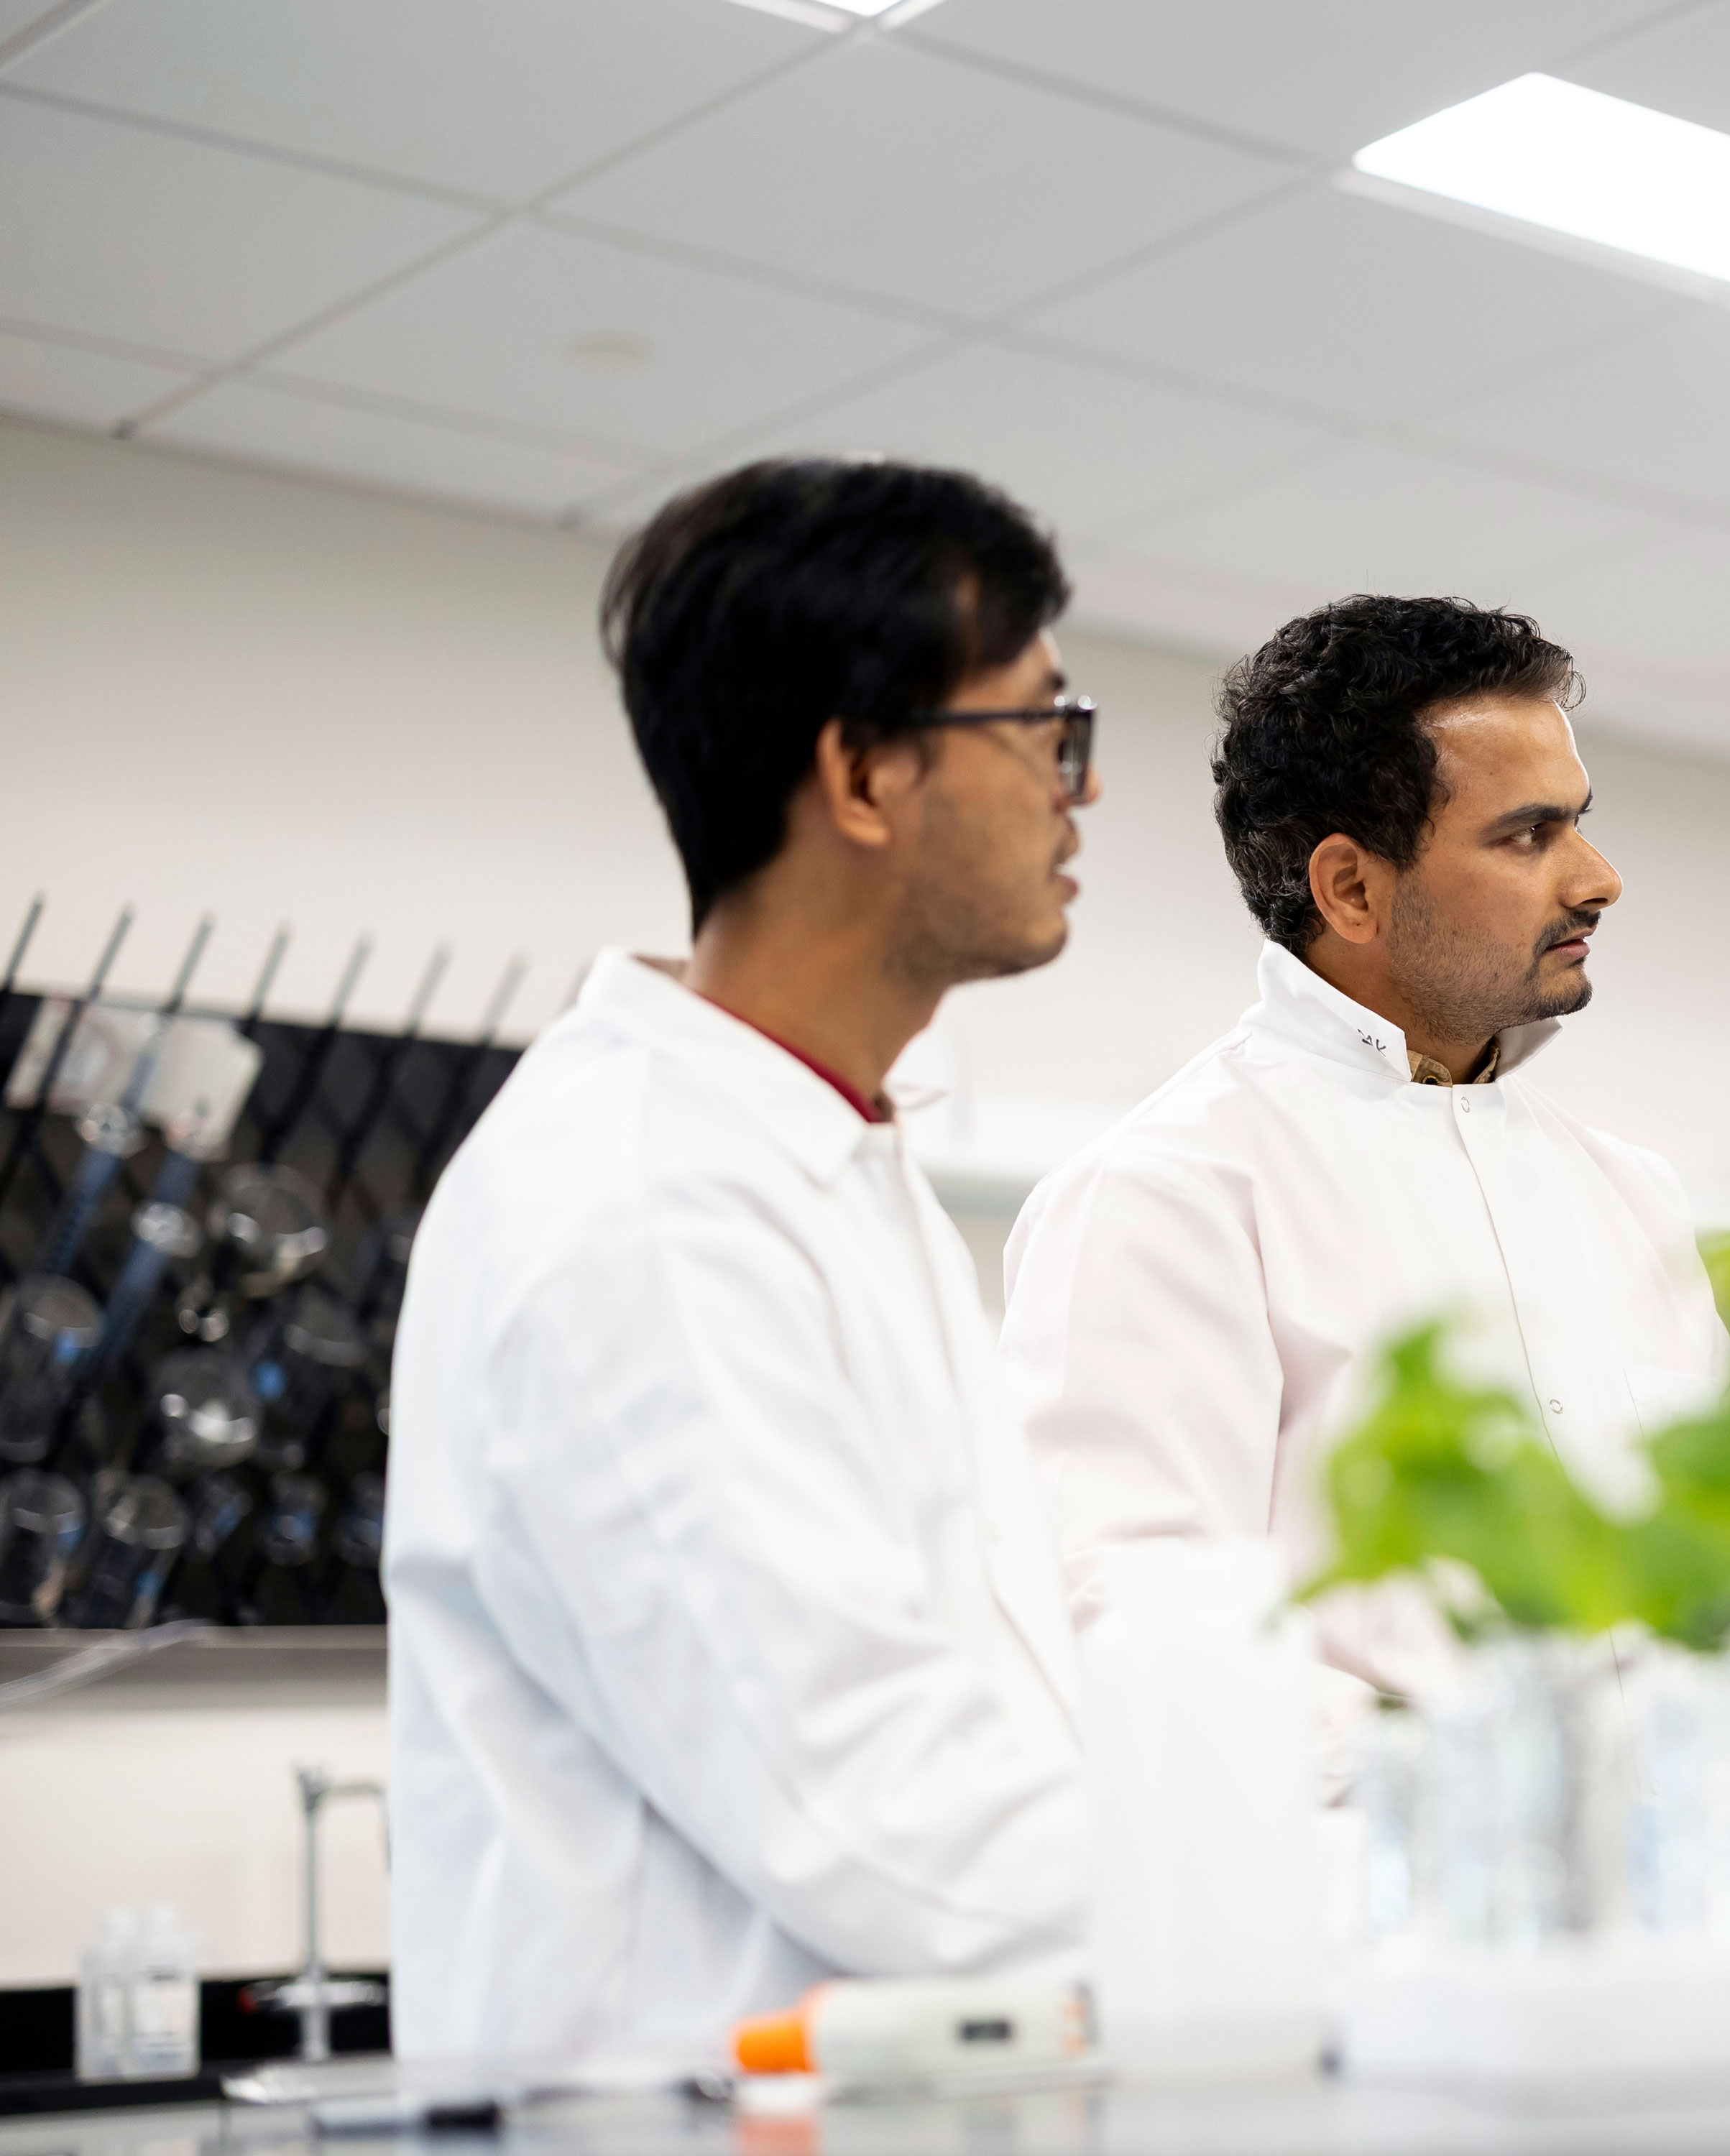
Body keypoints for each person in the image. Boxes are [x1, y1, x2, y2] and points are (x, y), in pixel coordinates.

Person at [385, 458, 1106, 2059]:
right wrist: (1358, 1898)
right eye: (1044, 727)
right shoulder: (640, 1205)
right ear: (862, 774)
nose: (1082, 786)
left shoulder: (840, 1165)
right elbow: (878, 1819)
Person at [998, 595, 1729, 1729]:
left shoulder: (1632, 1195)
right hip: (1371, 1879)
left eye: (1579, 822)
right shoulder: (1171, 1191)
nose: (1598, 878)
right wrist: (1471, 1791)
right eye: (1529, 835)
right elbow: (1128, 1629)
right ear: (1350, 888)